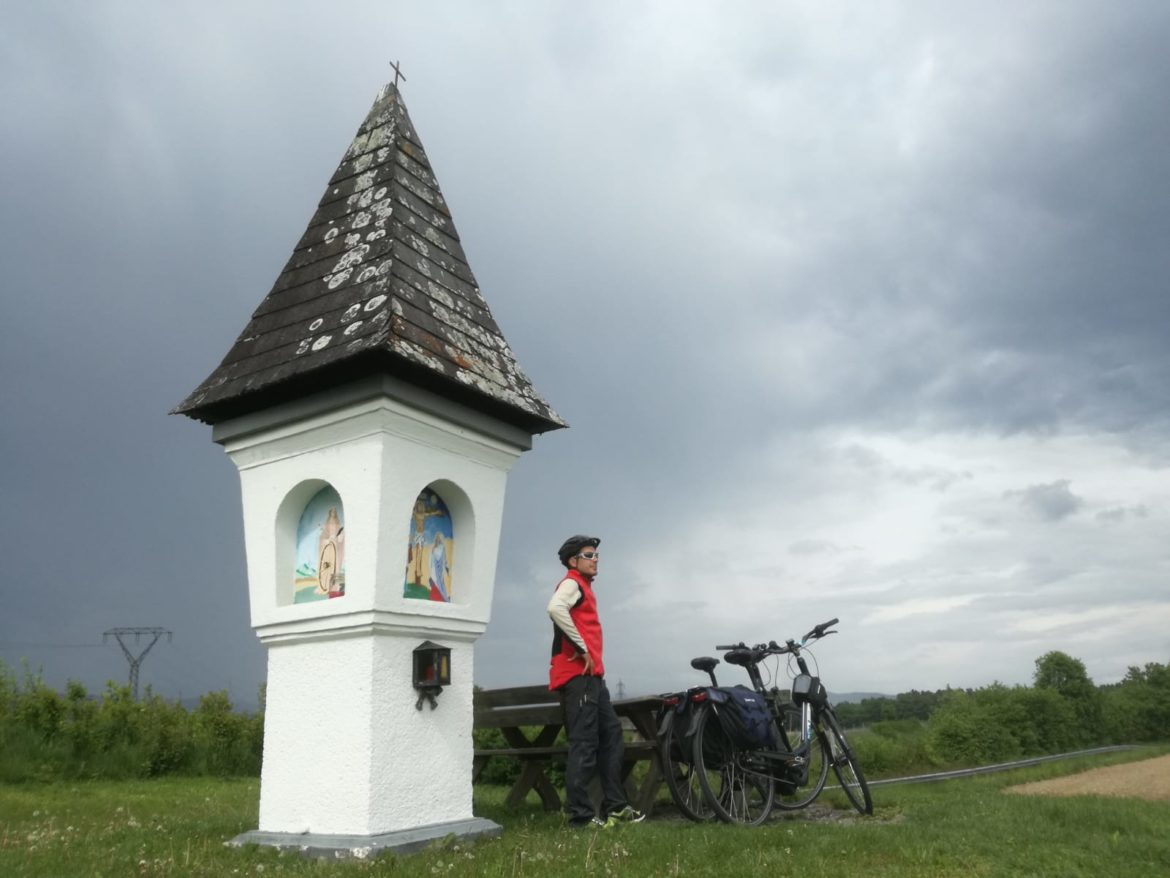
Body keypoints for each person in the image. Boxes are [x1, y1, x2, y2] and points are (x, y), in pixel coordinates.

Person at [547, 535, 645, 828]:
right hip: (578, 678)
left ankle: (615, 807)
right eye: (589, 554)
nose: (595, 559)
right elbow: (555, 608)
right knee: (584, 743)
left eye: (597, 555)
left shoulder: (585, 588)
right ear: (573, 561)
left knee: (612, 736)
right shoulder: (571, 583)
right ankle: (581, 816)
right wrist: (582, 648)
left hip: (593, 679)